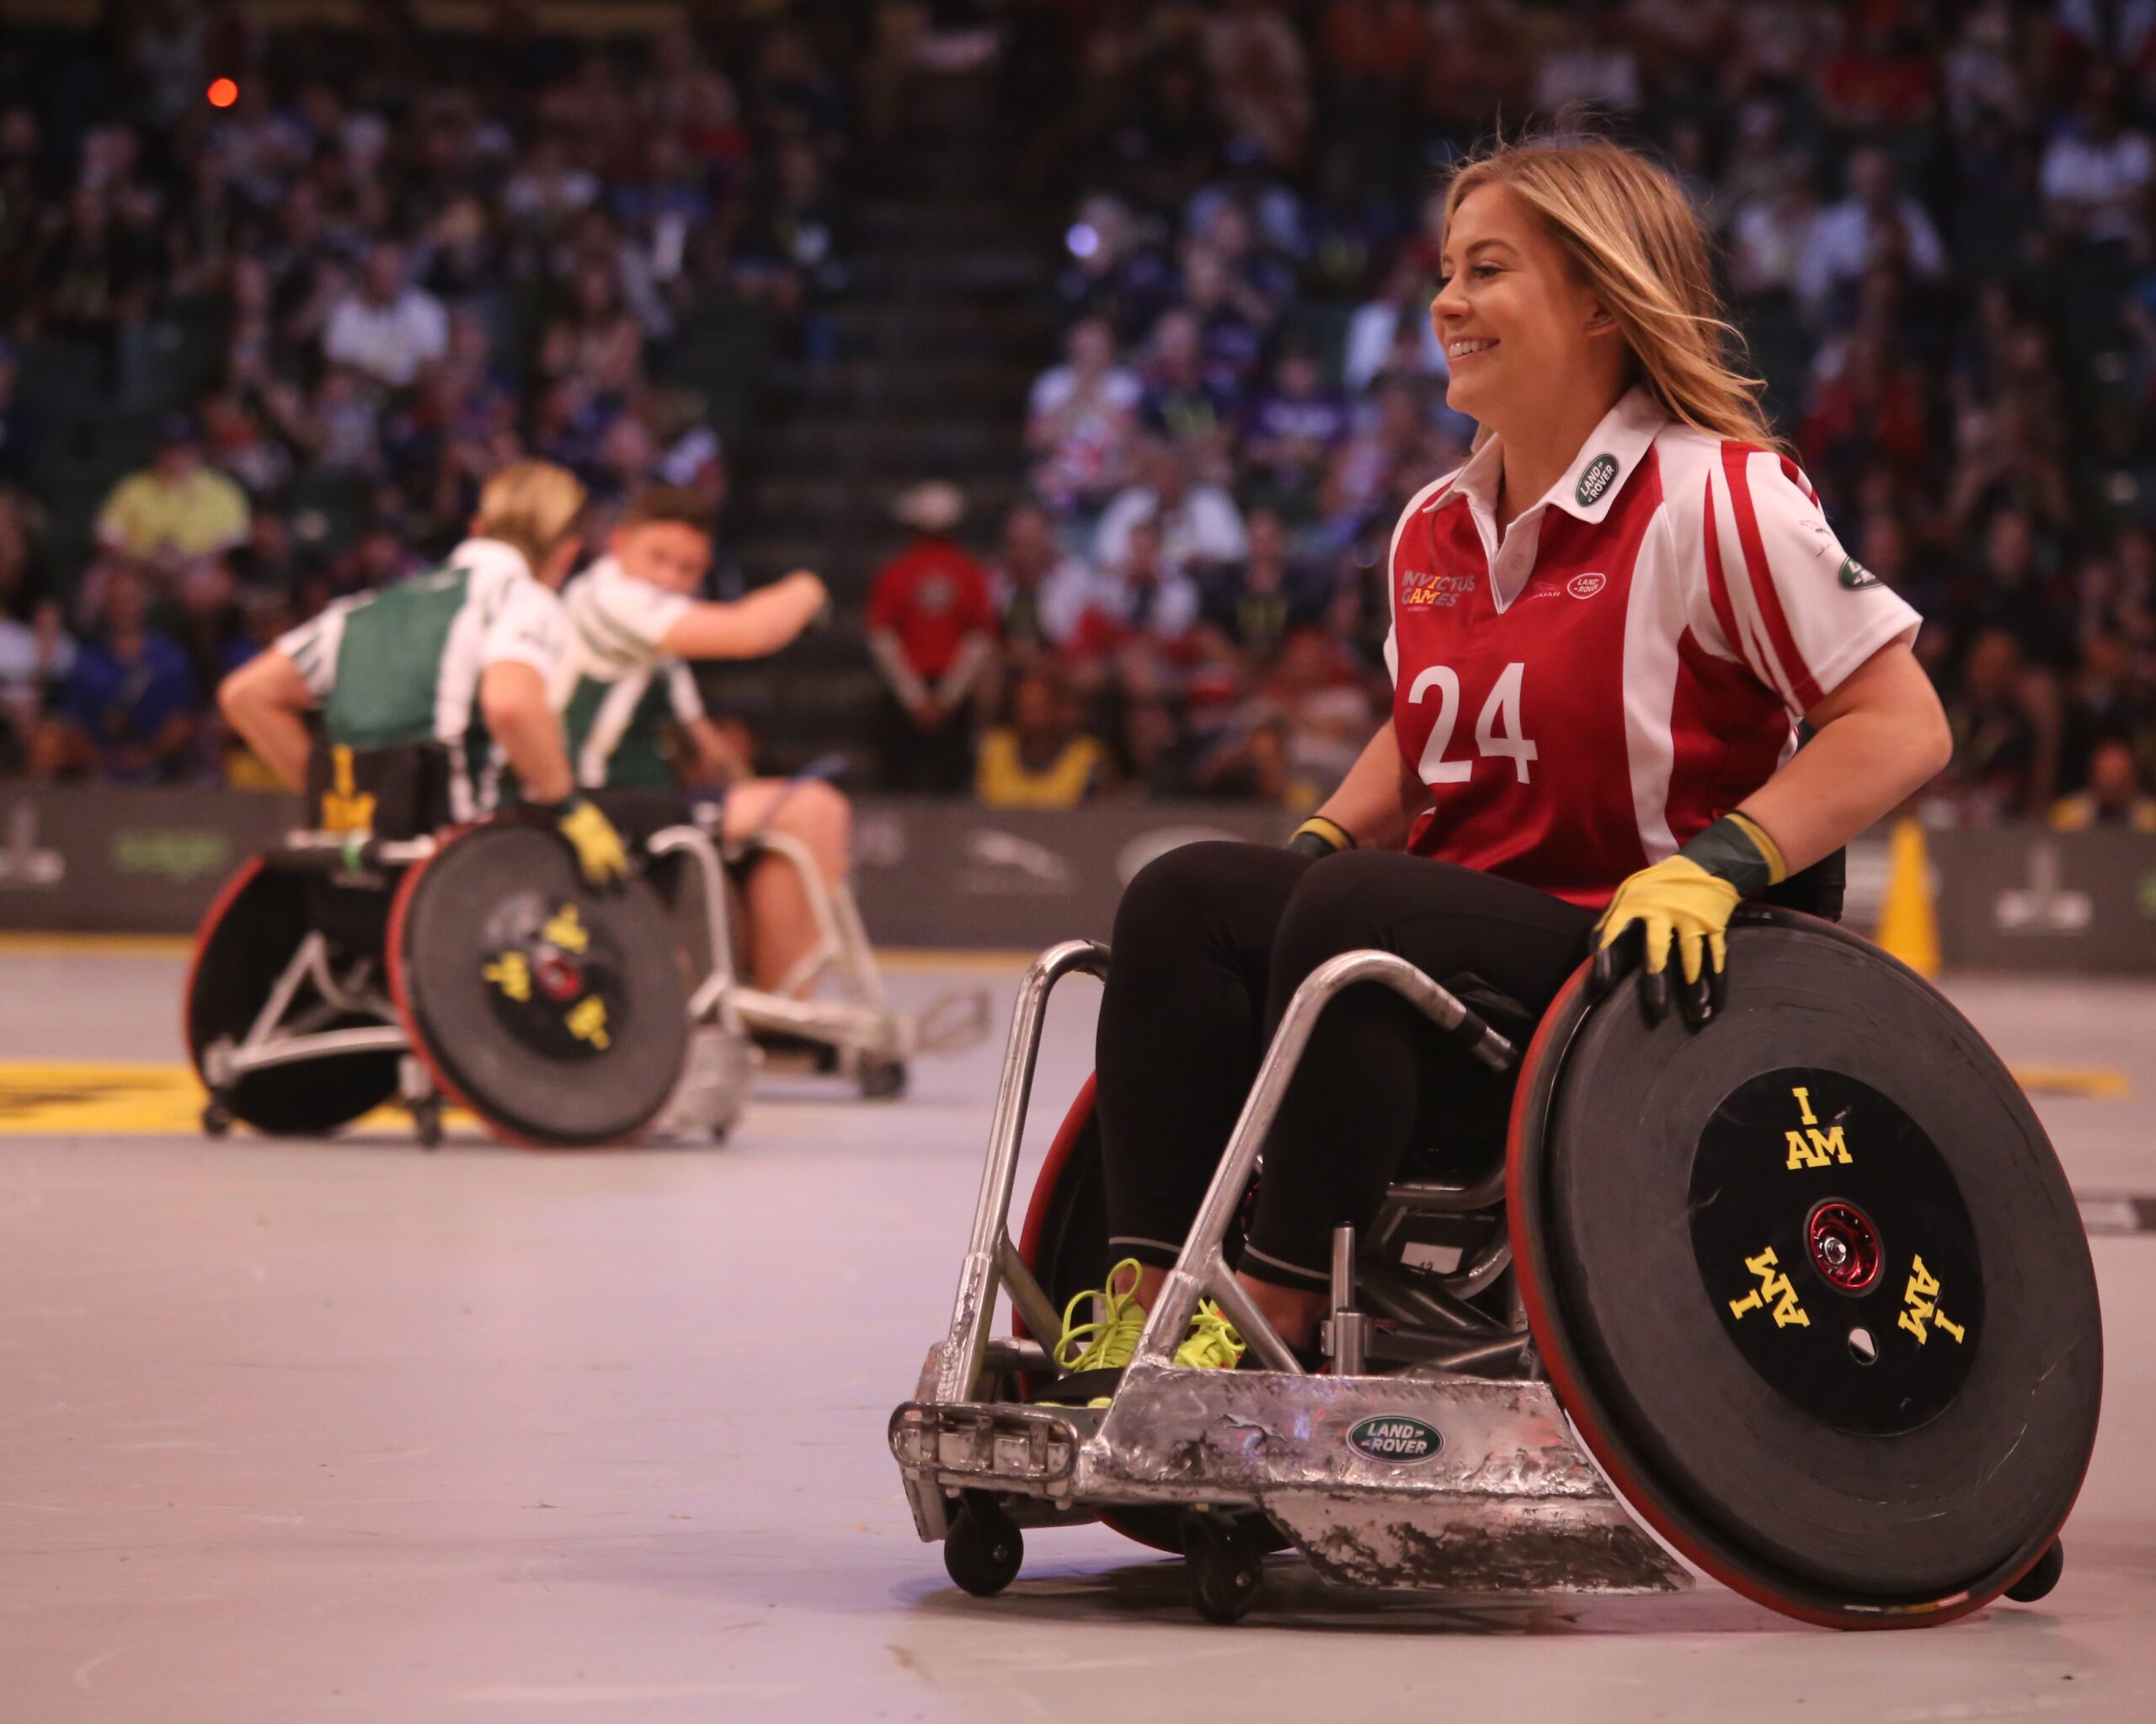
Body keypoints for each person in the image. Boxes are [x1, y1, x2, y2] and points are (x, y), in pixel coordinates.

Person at [1046, 135, 1951, 1392]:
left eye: (1487, 270)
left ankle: (1273, 1317)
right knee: (1189, 893)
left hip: (1641, 962)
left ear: (1595, 297)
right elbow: (1435, 725)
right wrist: (1313, 843)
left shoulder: (1718, 496)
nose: (1446, 303)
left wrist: (1718, 867)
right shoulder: (1433, 521)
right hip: (1458, 937)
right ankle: (1139, 1314)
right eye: (1443, 271)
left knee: (1365, 911)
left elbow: (1902, 721)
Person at [215, 459, 628, 886]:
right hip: (465, 869)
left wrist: (343, 796)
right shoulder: (522, 599)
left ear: (476, 528)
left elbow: (245, 695)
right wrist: (568, 807)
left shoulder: (363, 609)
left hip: (358, 871)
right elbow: (511, 704)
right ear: (566, 552)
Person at [552, 483, 839, 991]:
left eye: (687, 570)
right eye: (657, 558)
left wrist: (749, 784)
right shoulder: (611, 598)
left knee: (786, 812)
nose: (669, 579)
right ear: (618, 544)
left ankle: (764, 992)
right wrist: (812, 585)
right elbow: (754, 631)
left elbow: (706, 746)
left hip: (643, 799)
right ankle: (785, 1010)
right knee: (813, 811)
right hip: (593, 802)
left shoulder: (655, 638)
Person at [865, 481, 998, 794]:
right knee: (950, 786)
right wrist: (947, 699)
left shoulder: (897, 571)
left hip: (908, 695)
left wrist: (916, 699)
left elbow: (882, 637)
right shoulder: (970, 571)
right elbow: (979, 640)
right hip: (951, 696)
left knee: (898, 785)